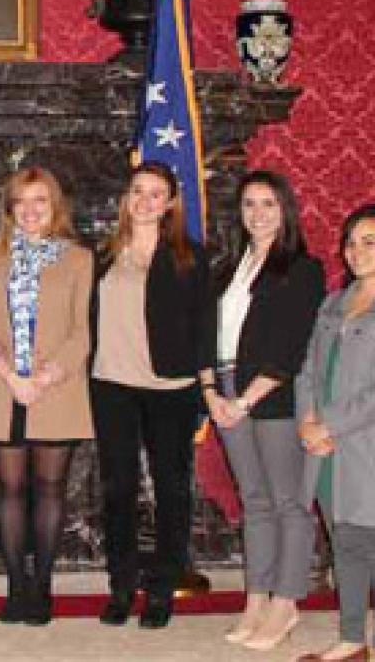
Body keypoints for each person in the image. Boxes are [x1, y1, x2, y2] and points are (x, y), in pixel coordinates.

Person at [198, 170, 325, 650]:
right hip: (225, 388)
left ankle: (286, 600)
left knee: (287, 500)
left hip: (272, 394)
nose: (258, 214)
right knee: (253, 500)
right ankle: (256, 596)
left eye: (268, 204)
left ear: (285, 209)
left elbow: (291, 345)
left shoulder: (302, 268)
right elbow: (204, 335)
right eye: (249, 204)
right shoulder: (226, 267)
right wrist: (212, 393)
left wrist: (244, 400)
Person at [295, 204, 375, 662]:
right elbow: (309, 370)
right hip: (327, 448)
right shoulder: (333, 303)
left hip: (372, 448)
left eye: (369, 241)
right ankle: (352, 641)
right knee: (344, 544)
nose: (357, 251)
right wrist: (308, 425)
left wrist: (329, 425)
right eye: (350, 242)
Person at [0, 166, 93, 625]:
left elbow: (82, 332)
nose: (32, 210)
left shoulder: (78, 259)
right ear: (9, 209)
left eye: (41, 200)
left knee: (50, 488)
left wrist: (45, 376)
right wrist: (8, 373)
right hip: (2, 390)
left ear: (54, 206)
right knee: (10, 490)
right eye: (22, 201)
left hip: (56, 390)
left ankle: (43, 585)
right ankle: (16, 584)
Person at [89, 160, 212, 630]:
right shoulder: (102, 253)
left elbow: (204, 327)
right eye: (137, 190)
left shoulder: (189, 256)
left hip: (170, 389)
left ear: (170, 204)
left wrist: (206, 388)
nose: (144, 201)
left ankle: (162, 589)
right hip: (111, 385)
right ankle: (121, 587)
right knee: (118, 489)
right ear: (126, 197)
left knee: (171, 491)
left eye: (155, 193)